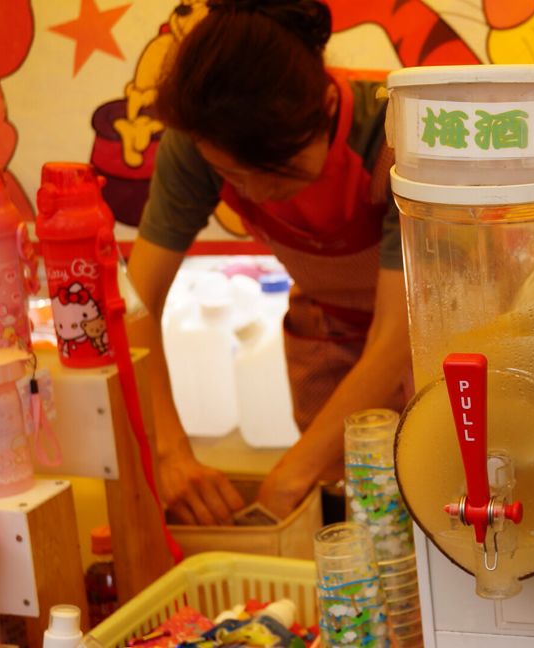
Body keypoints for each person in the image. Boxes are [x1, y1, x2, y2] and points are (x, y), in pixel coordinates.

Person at [127, 0, 411, 525]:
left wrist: (293, 472)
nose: (256, 194)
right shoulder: (195, 145)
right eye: (233, 176)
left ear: (328, 105)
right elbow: (135, 303)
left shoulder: (395, 135)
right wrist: (168, 451)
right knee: (348, 517)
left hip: (421, 332)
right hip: (328, 329)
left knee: (427, 491)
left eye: (277, 171)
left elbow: (397, 335)